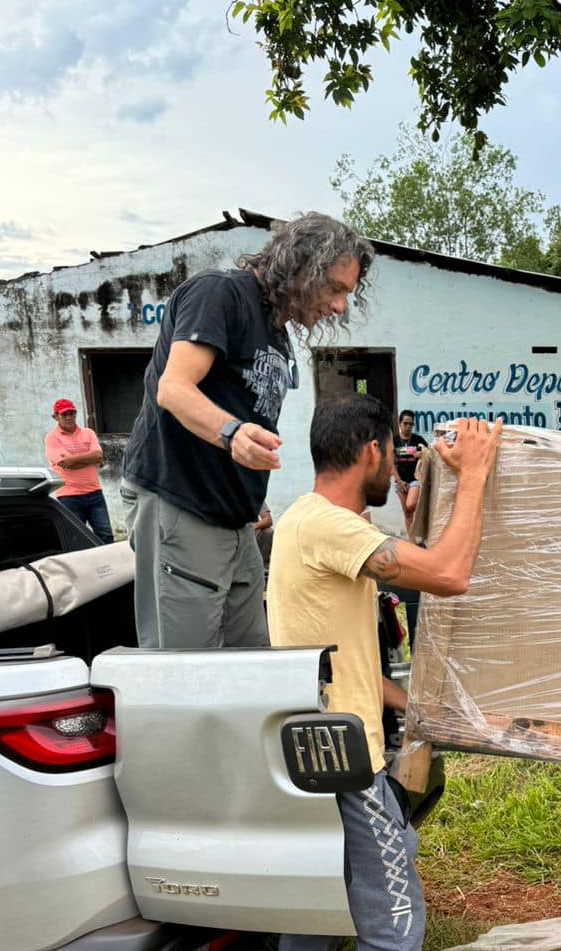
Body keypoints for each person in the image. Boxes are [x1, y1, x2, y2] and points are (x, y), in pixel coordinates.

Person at [266, 397, 501, 951]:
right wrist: (476, 477)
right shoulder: (329, 525)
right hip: (345, 759)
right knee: (397, 921)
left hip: (303, 749)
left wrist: (427, 705)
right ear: (369, 450)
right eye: (390, 459)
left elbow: (347, 658)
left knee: (306, 917)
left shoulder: (311, 525)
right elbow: (450, 574)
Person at [121, 213, 372, 649]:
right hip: (182, 503)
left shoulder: (274, 329)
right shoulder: (221, 293)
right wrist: (233, 433)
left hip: (238, 523)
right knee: (184, 675)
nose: (338, 306)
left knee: (250, 667)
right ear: (300, 266)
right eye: (334, 288)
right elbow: (174, 388)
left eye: (346, 294)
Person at [43, 399, 113, 543]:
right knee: (76, 539)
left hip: (95, 493)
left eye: (72, 413)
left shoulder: (88, 433)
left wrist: (75, 459)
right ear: (55, 417)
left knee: (106, 535)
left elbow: (98, 456)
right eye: (64, 414)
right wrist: (91, 458)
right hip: (69, 496)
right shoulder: (51, 438)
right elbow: (66, 464)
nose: (69, 417)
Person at [393, 409, 429, 485]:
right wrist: (399, 481)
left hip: (416, 481)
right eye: (405, 423)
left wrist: (423, 455)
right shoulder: (394, 440)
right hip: (398, 482)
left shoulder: (419, 439)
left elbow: (430, 454)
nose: (408, 426)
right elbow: (390, 463)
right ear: (399, 424)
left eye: (411, 424)